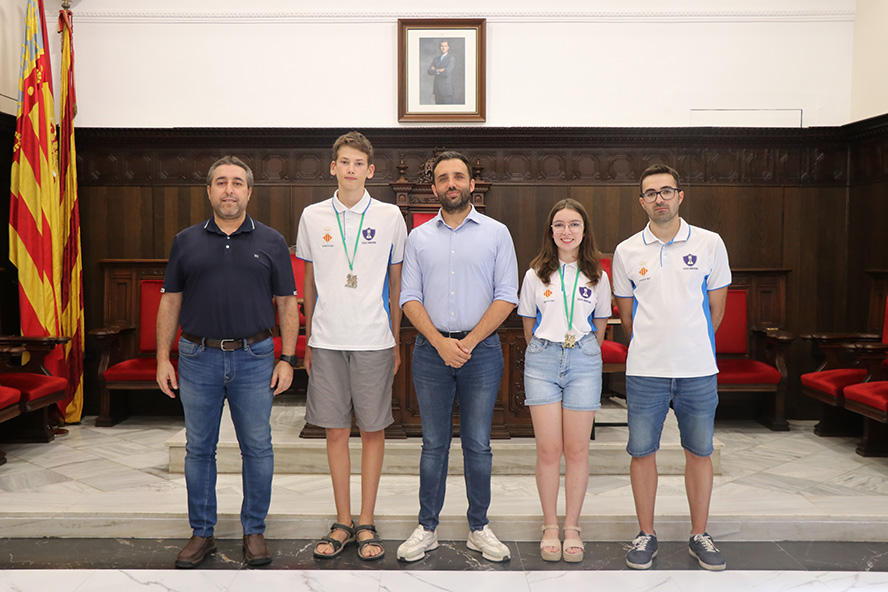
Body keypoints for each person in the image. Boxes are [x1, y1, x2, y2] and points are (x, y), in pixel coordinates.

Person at [156, 155, 299, 569]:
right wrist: (163, 358)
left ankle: (254, 530)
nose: (229, 190)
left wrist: (287, 358)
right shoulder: (185, 241)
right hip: (197, 358)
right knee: (199, 449)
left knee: (258, 448)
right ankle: (202, 533)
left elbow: (288, 304)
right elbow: (170, 301)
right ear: (209, 191)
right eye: (221, 182)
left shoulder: (271, 241)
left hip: (255, 359)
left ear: (249, 192)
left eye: (237, 183)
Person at [397, 151, 519, 563]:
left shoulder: (497, 233)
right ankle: (426, 527)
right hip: (431, 352)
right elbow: (408, 298)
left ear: (471, 184)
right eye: (444, 178)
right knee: (433, 445)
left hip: (481, 352)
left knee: (478, 444)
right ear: (434, 188)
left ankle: (479, 527)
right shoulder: (418, 238)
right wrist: (440, 342)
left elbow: (507, 296)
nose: (452, 183)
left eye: (459, 177)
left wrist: (466, 343)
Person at [611, 164, 731, 571]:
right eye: (650, 193)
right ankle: (646, 533)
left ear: (681, 196)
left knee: (699, 452)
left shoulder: (710, 243)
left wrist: (688, 344)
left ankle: (700, 534)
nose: (658, 198)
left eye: (666, 191)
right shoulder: (627, 251)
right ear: (641, 201)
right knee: (643, 453)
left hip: (697, 369)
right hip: (646, 370)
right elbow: (627, 319)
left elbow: (716, 310)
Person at [295, 131, 407, 561]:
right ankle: (342, 520)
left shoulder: (390, 216)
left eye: (358, 163)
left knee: (373, 430)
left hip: (374, 339)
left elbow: (396, 284)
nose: (351, 170)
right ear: (333, 167)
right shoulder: (313, 216)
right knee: (336, 431)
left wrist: (395, 340)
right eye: (344, 162)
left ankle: (366, 520)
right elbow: (308, 282)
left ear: (370, 170)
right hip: (326, 338)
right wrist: (307, 337)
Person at [517, 199, 611, 563]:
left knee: (576, 450)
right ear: (550, 231)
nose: (566, 231)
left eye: (574, 225)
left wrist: (582, 352)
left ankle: (572, 526)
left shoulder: (598, 275)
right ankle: (550, 526)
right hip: (543, 359)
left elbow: (601, 322)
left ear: (584, 231)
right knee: (548, 450)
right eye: (559, 225)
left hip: (583, 360)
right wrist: (547, 351)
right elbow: (528, 321)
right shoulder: (535, 273)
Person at [427, 40, 455, 104]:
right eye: (442, 46)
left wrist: (435, 70)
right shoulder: (435, 59)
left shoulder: (451, 59)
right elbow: (429, 71)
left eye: (445, 46)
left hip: (446, 89)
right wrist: (439, 70)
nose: (443, 48)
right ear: (439, 47)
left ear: (448, 47)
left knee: (448, 111)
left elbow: (447, 73)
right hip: (437, 89)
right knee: (438, 111)